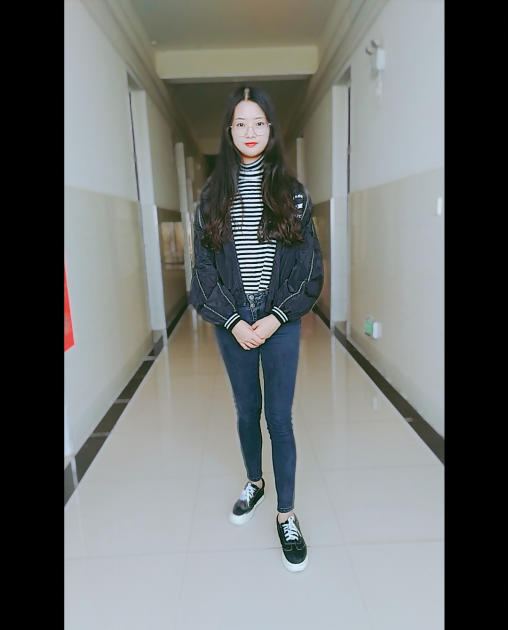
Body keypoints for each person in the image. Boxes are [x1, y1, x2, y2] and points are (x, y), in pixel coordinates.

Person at [189, 86, 323, 572]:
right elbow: (204, 273)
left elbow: (309, 270)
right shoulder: (211, 200)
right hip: (234, 324)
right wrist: (234, 322)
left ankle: (286, 515)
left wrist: (274, 317)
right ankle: (255, 482)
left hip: (278, 321)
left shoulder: (293, 195)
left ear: (271, 129)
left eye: (258, 122)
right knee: (247, 411)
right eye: (240, 123)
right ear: (229, 131)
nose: (250, 131)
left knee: (279, 419)